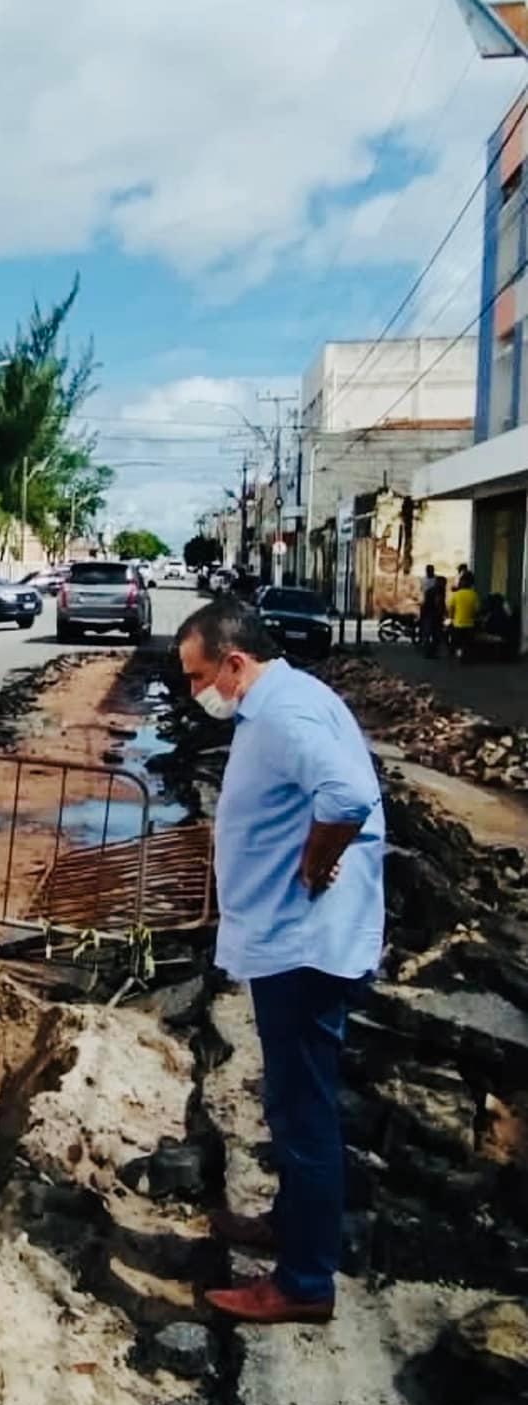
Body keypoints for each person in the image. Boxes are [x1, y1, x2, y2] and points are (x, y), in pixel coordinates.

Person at [177, 598, 385, 1326]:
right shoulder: (286, 700)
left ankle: (303, 1282)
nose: (196, 692)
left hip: (305, 945)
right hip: (295, 941)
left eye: (199, 675)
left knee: (303, 1111)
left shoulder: (283, 713)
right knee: (292, 1101)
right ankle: (289, 1227)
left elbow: (350, 796)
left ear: (235, 662)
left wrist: (315, 863)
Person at [446, 566, 479, 659]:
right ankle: (466, 655)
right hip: (469, 624)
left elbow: (451, 608)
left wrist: (451, 618)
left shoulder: (456, 595)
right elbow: (476, 610)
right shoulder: (474, 595)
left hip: (457, 624)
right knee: (467, 643)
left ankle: (455, 653)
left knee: (454, 641)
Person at [418, 563, 444, 658]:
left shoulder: (437, 589)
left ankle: (429, 652)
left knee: (432, 634)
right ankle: (428, 652)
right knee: (430, 634)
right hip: (430, 614)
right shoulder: (427, 585)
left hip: (432, 614)